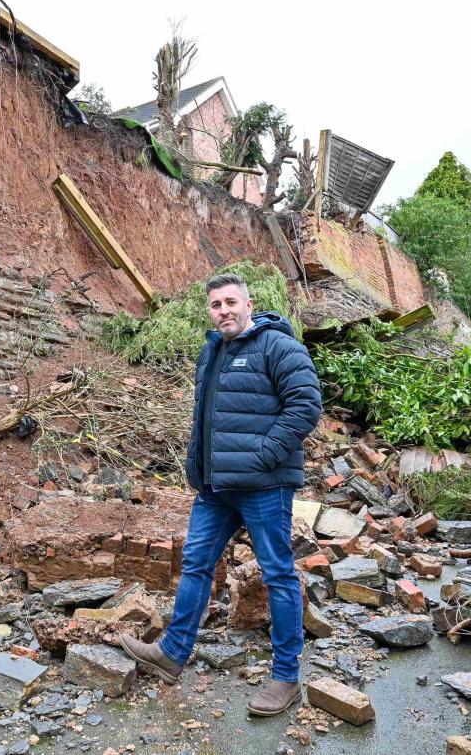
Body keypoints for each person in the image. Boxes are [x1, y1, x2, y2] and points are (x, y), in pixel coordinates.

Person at [120, 273, 323, 717]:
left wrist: (264, 456)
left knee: (277, 575)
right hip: (215, 488)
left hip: (264, 485)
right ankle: (172, 653)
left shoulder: (278, 346)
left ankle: (286, 677)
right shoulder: (213, 349)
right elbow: (206, 417)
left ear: (249, 305)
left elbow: (306, 405)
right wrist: (198, 468)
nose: (224, 310)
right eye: (216, 304)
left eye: (231, 301)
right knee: (195, 563)